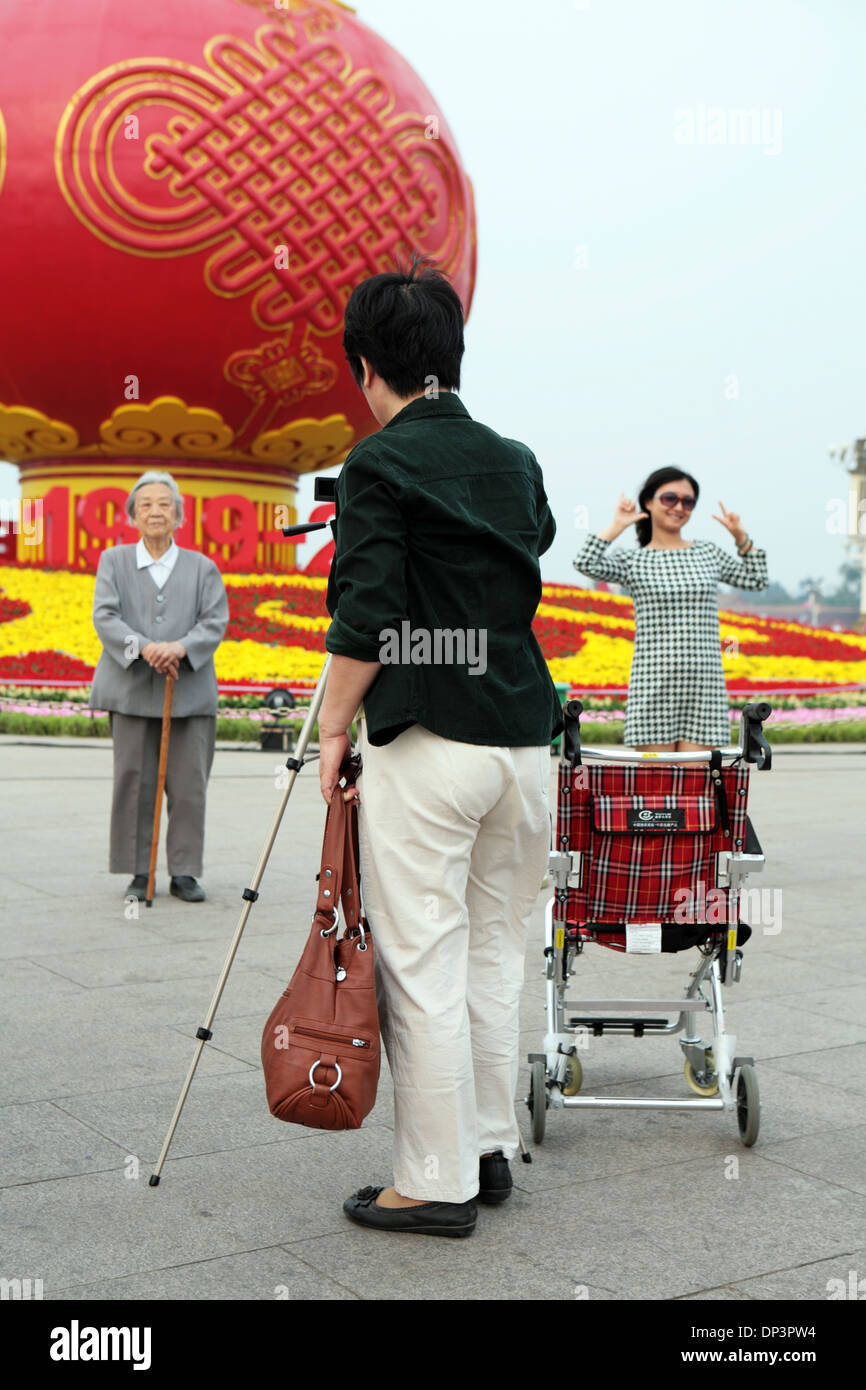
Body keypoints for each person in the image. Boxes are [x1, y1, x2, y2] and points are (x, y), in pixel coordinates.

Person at [317, 257, 562, 1237]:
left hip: (431, 740)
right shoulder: (514, 456)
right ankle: (488, 1145)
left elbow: (369, 611)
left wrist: (333, 725)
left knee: (423, 955)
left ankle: (433, 1178)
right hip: (521, 741)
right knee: (498, 950)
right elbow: (531, 543)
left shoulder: (377, 463)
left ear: (367, 366)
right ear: (448, 359)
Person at [88, 471, 229, 901]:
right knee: (134, 781)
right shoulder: (114, 562)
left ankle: (184, 871)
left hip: (189, 694)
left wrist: (180, 649)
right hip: (130, 692)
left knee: (189, 785)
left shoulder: (203, 567)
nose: (155, 511)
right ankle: (138, 871)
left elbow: (214, 620)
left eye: (164, 504)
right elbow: (106, 616)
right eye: (145, 504)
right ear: (133, 514)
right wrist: (148, 647)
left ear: (179, 516)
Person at [573, 467, 768, 750]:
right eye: (669, 498)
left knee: (698, 787)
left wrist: (741, 537)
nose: (679, 507)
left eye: (687, 502)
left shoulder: (707, 553)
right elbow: (585, 563)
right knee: (656, 789)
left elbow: (756, 578)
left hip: (704, 686)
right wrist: (618, 525)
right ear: (649, 502)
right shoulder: (633, 559)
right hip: (653, 683)